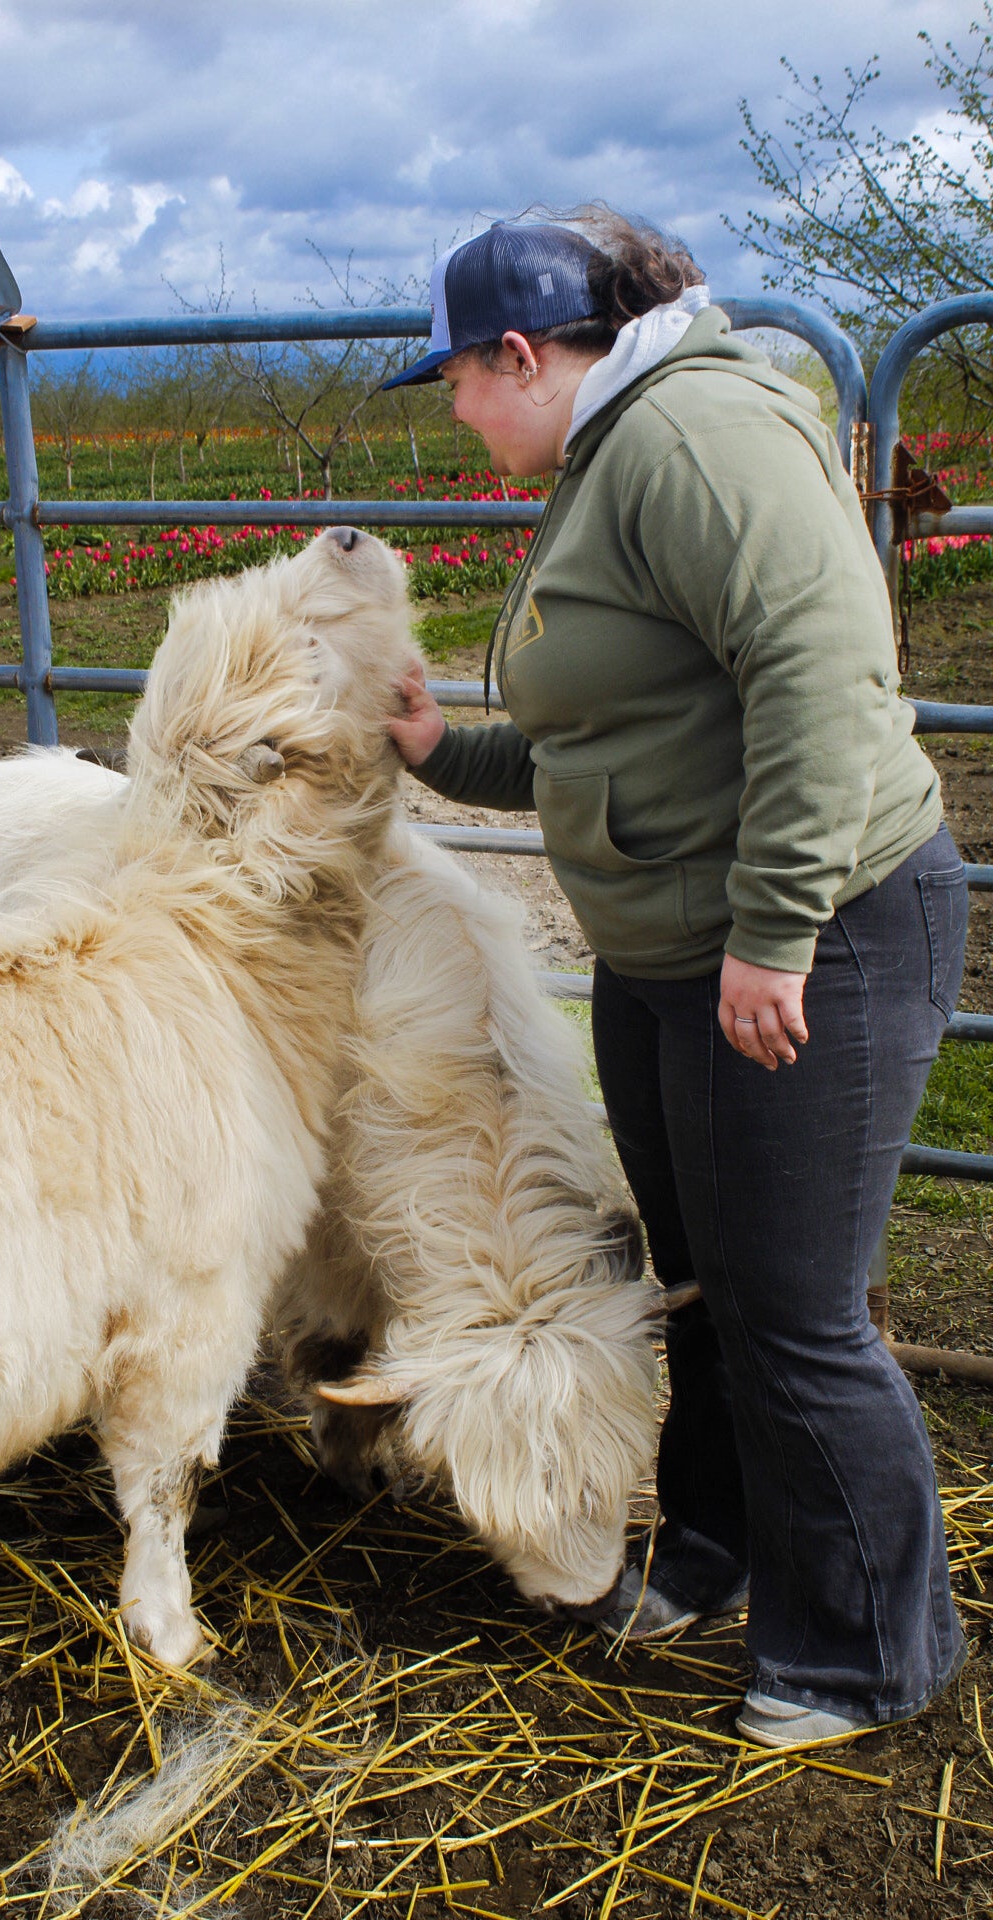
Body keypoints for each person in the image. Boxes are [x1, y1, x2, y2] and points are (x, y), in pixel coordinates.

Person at [383, 212, 968, 1748]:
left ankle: (869, 1653)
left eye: (452, 380)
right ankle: (717, 1551)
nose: (451, 414)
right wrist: (445, 751)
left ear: (522, 356)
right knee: (702, 1285)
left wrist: (776, 930)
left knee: (793, 1308)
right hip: (671, 955)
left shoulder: (693, 437)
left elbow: (829, 675)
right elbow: (609, 735)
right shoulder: (610, 452)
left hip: (805, 942)